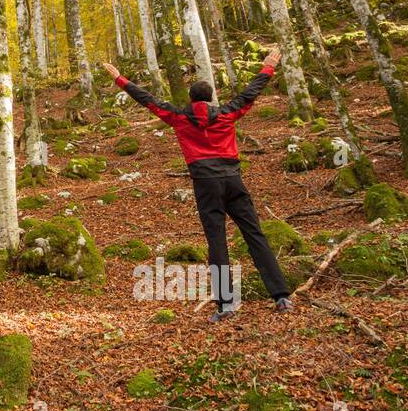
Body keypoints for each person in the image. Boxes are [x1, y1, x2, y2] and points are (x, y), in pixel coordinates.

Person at [101, 49, 292, 322]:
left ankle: (226, 305)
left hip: (205, 184)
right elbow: (251, 92)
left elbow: (148, 100)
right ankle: (281, 296)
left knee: (217, 242)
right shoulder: (226, 113)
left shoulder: (179, 118)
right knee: (254, 234)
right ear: (211, 98)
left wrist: (119, 78)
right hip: (233, 180)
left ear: (191, 99)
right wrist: (268, 66)